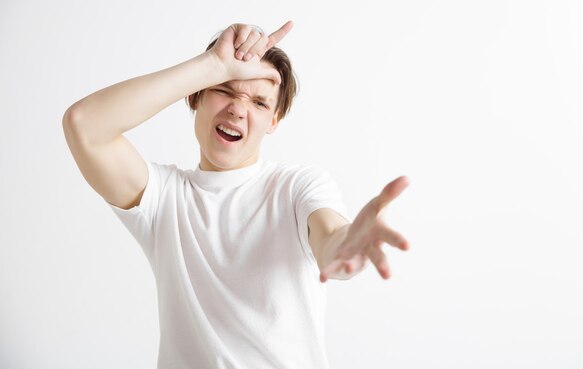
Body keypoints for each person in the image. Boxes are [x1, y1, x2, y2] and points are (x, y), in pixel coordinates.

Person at [62, 20, 410, 369]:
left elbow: (330, 238)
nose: (238, 109)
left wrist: (346, 244)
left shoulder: (296, 187)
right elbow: (84, 124)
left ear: (274, 120)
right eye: (224, 90)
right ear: (195, 95)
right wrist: (211, 66)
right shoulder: (162, 197)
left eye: (259, 103)